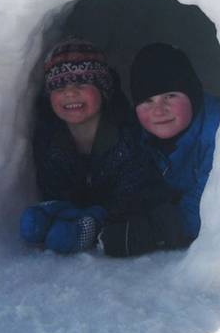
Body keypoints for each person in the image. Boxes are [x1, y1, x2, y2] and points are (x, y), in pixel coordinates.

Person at [19, 38, 169, 254]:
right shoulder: (49, 140)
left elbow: (134, 195)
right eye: (59, 86)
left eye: (81, 83)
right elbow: (52, 186)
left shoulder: (126, 135)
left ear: (103, 90)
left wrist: (97, 220)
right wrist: (58, 210)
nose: (70, 93)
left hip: (116, 218)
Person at [99, 42, 220, 257]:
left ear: (192, 94)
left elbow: (213, 201)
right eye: (147, 100)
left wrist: (153, 232)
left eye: (170, 96)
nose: (159, 109)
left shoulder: (219, 130)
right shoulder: (139, 135)